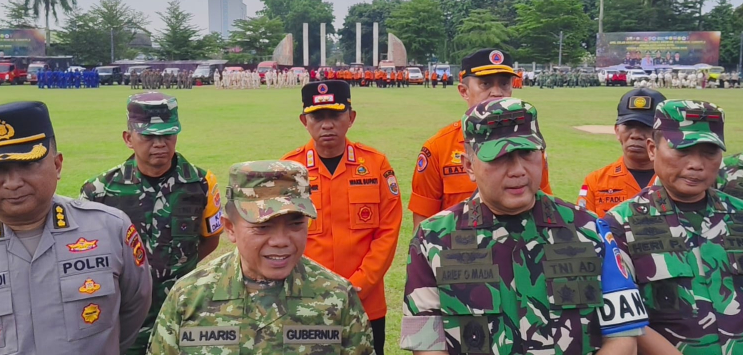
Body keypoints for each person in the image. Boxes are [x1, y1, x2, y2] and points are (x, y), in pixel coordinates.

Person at [401, 97, 644, 355]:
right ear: (469, 166)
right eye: (499, 157)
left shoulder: (590, 229)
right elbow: (427, 345)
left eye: (527, 153)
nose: (518, 170)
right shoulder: (432, 239)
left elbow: (622, 336)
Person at [0, 101, 152, 354]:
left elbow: (134, 311)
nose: (13, 183)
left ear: (57, 165)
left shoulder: (111, 229)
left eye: (27, 164)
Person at [146, 160, 374, 354]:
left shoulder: (338, 297)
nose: (281, 240)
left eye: (296, 224)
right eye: (262, 226)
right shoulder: (188, 297)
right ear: (230, 228)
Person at [603, 100, 743, 354]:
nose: (696, 164)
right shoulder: (619, 225)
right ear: (652, 149)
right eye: (683, 150)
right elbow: (627, 321)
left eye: (709, 152)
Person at [80, 92, 223, 354]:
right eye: (148, 136)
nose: (159, 144)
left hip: (184, 309)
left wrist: (178, 272)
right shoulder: (98, 191)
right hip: (127, 316)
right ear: (128, 139)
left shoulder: (202, 183)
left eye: (167, 135)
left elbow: (211, 238)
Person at [282, 80, 401, 355]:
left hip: (365, 302)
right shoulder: (290, 170)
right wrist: (315, 290)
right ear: (304, 121)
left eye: (335, 115)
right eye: (317, 116)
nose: (327, 124)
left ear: (351, 118)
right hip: (306, 300)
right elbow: (282, 236)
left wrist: (358, 286)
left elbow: (388, 232)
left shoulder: (375, 165)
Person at [409, 48, 552, 230]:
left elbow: (544, 207)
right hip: (461, 253)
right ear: (464, 91)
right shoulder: (438, 148)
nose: (497, 92)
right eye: (485, 84)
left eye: (504, 84)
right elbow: (423, 223)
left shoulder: (530, 144)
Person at [579, 88, 666, 217]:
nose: (636, 135)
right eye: (629, 126)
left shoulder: (678, 180)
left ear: (664, 133)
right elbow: (586, 230)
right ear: (617, 130)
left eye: (647, 127)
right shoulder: (596, 182)